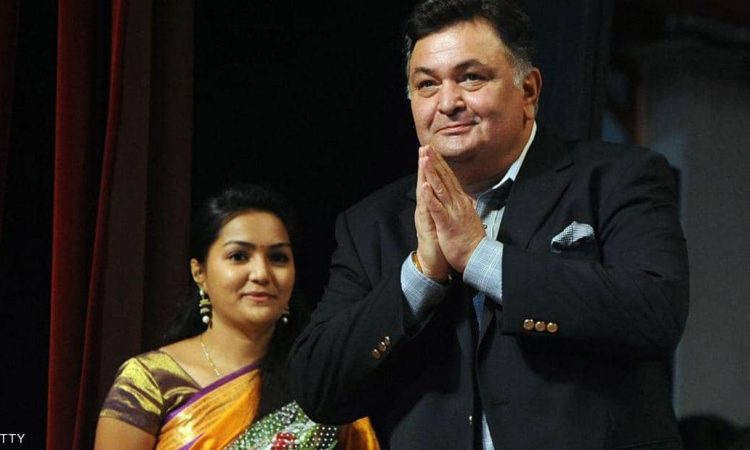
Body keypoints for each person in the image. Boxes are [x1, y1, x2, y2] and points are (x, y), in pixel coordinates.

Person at [288, 0, 689, 448]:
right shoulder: (371, 223)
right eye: (426, 84)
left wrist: (480, 257)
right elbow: (317, 388)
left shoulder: (617, 178)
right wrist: (421, 275)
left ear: (529, 91)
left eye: (471, 77)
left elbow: (655, 312)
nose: (448, 103)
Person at [94, 184, 379, 449]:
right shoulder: (151, 381)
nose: (261, 274)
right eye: (239, 256)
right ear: (199, 272)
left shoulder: (321, 376)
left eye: (278, 257)